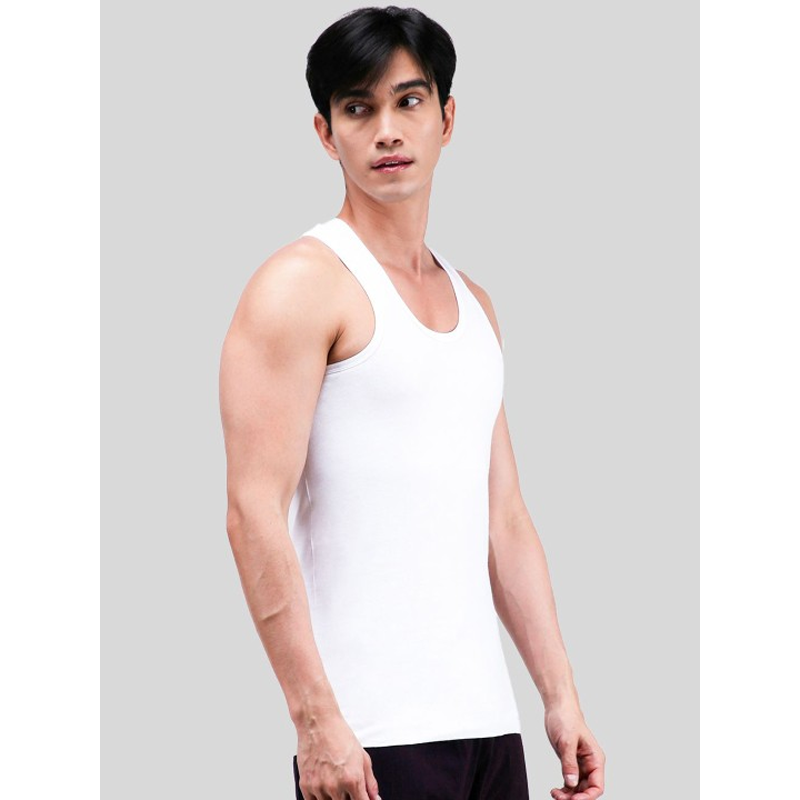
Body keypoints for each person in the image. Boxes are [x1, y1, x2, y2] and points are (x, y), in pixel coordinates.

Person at [219, 6, 605, 800]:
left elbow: (504, 519)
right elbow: (252, 510)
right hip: (370, 739)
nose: (387, 130)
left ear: (447, 118)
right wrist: (315, 721)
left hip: (487, 728)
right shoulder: (301, 285)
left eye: (408, 101)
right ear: (326, 133)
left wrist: (559, 694)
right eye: (358, 108)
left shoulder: (476, 305)